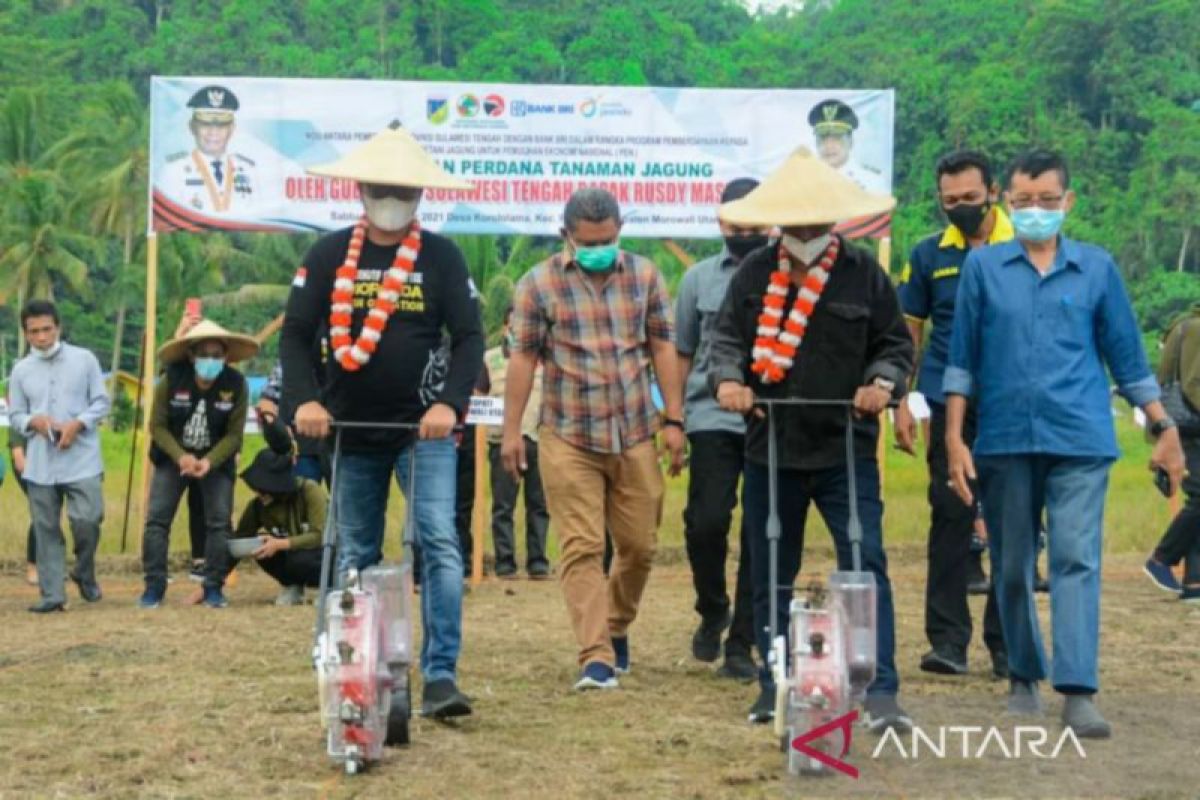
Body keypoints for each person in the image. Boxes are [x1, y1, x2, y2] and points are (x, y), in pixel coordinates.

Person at [945, 149, 1186, 738]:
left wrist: (1163, 426)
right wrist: (953, 437)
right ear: (1007, 201)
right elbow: (962, 362)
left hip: (1080, 437)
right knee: (1011, 564)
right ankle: (1024, 674)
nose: (1035, 211)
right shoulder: (984, 269)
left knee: (1077, 559)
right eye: (1024, 201)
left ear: (1067, 202)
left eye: (1047, 201)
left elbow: (1128, 360)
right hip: (1002, 439)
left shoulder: (1097, 269)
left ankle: (1079, 689)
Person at [708, 147, 914, 731]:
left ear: (833, 219)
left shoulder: (864, 273)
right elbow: (725, 342)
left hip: (844, 447)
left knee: (864, 563)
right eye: (793, 221)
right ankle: (775, 684)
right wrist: (729, 382)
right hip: (771, 445)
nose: (804, 231)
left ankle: (880, 692)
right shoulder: (753, 273)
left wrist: (882, 382)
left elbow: (896, 345)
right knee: (770, 564)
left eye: (815, 220)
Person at [281, 124, 483, 719]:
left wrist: (450, 404)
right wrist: (304, 402)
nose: (390, 196)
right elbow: (295, 335)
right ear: (361, 189)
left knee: (439, 542)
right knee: (353, 549)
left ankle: (441, 674)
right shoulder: (325, 255)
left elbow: (469, 338)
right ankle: (351, 661)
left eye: (402, 188)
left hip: (425, 433)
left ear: (420, 194)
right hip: (348, 433)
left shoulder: (442, 257)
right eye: (380, 186)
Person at [502, 187, 686, 692]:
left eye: (608, 239)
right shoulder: (537, 284)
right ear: (567, 237)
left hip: (634, 431)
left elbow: (663, 347)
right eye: (588, 242)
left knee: (640, 545)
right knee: (582, 548)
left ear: (620, 229)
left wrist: (675, 419)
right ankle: (596, 656)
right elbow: (522, 359)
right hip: (568, 434)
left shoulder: (645, 275)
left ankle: (616, 624)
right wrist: (512, 430)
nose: (600, 248)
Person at [895, 150, 1008, 679]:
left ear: (994, 190)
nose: (960, 207)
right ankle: (947, 643)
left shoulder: (1026, 244)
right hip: (947, 405)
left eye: (969, 197)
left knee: (1014, 520)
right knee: (949, 516)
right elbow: (909, 336)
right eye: (949, 201)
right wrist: (903, 399)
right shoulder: (927, 255)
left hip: (1013, 403)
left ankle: (1009, 645)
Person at [674, 177, 767, 682]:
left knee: (761, 529)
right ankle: (713, 608)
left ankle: (742, 643)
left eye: (755, 224)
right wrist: (674, 417)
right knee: (705, 522)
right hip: (711, 416)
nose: (746, 232)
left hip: (770, 418)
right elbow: (683, 352)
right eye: (737, 224)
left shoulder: (785, 275)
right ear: (720, 221)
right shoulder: (699, 279)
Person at [139, 320, 257, 609]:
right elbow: (158, 425)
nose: (210, 361)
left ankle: (213, 587)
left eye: (217, 355)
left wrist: (209, 461)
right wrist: (181, 456)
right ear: (191, 355)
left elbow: (234, 435)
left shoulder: (236, 384)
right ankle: (154, 585)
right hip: (172, 458)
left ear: (226, 357)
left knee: (219, 522)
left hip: (216, 460)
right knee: (157, 519)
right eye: (203, 354)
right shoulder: (172, 379)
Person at [8, 300, 111, 613]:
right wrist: (32, 422)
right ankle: (52, 594)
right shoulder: (20, 369)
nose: (41, 337)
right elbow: (15, 415)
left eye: (47, 329)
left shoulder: (84, 360)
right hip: (41, 463)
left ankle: (83, 570)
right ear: (26, 334)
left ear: (58, 328)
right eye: (34, 331)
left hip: (82, 459)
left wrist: (78, 423)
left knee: (88, 519)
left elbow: (101, 402)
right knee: (46, 528)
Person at [484, 305, 550, 580]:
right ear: (504, 328)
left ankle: (537, 562)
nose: (517, 330)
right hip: (502, 441)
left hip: (537, 440)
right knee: (503, 506)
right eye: (513, 325)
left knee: (539, 504)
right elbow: (477, 397)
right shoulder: (490, 360)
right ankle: (505, 563)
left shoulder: (546, 361)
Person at [1144, 309, 1200, 604]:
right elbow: (1192, 384)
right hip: (1189, 425)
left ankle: (1194, 580)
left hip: (1183, 425)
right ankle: (1162, 558)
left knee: (1198, 499)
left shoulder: (1183, 324)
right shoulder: (1196, 328)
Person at [228, 448, 328, 605]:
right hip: (294, 556)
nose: (259, 493)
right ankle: (292, 585)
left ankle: (330, 586)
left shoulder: (310, 490)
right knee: (259, 547)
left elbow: (319, 536)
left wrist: (280, 544)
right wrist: (212, 584)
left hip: (322, 554)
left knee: (301, 559)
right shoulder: (257, 506)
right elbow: (240, 541)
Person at [160, 85, 257, 215]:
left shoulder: (248, 170)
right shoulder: (174, 170)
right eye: (205, 125)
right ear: (192, 127)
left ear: (232, 129)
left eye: (221, 126)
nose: (213, 133)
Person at [807, 98, 881, 190]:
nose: (829, 146)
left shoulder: (871, 181)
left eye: (837, 138)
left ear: (850, 141)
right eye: (823, 138)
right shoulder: (804, 182)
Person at [7, 427, 38, 586]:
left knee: (53, 511)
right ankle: (33, 566)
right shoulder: (22, 404)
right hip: (26, 460)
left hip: (48, 461)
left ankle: (51, 564)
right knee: (41, 509)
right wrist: (18, 453)